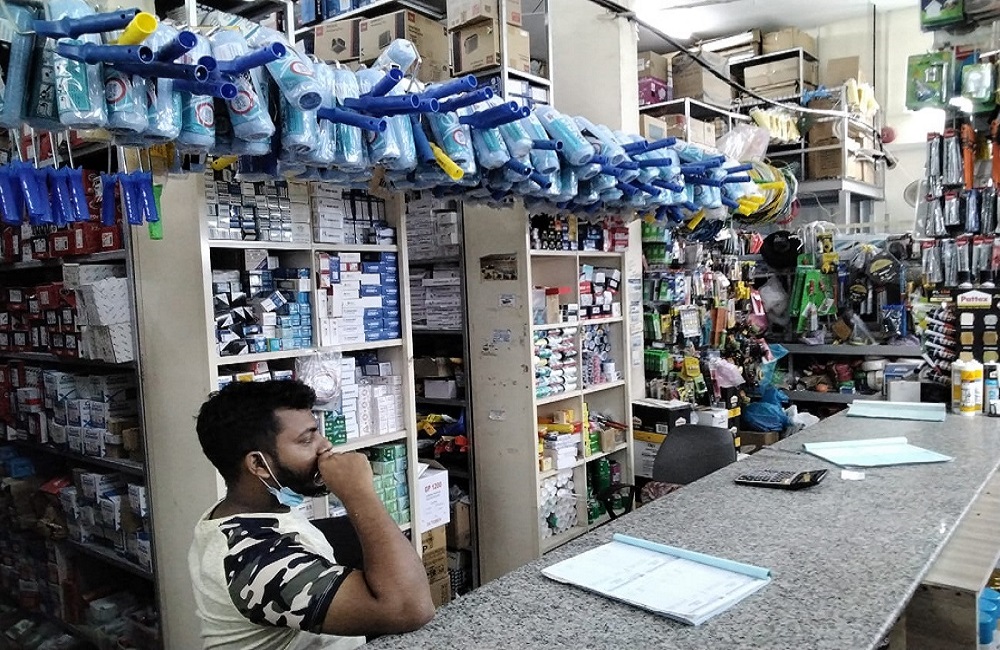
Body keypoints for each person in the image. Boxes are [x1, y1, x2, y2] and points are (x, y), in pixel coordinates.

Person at [188, 380, 434, 650]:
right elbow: (412, 608)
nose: (325, 445)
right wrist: (359, 494)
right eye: (306, 440)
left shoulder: (248, 510)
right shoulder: (254, 560)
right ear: (258, 464)